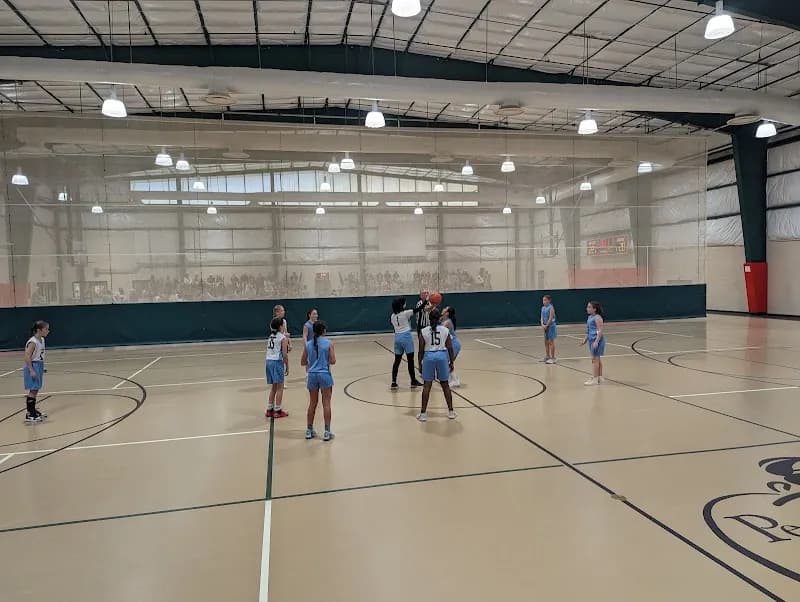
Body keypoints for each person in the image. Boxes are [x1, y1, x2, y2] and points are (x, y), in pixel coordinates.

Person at [417, 308, 456, 422]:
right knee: (445, 385)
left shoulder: (423, 331)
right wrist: (451, 362)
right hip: (442, 356)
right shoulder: (445, 330)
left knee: (427, 386)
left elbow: (420, 351)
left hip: (429, 357)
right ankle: (451, 412)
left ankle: (423, 414)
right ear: (439, 318)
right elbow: (450, 347)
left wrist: (419, 363)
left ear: (429, 319)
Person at [301, 321, 336, 441]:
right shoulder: (329, 343)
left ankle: (309, 430)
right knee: (326, 403)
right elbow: (333, 361)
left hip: (312, 375)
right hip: (324, 374)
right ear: (324, 331)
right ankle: (327, 431)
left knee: (312, 403)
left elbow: (302, 362)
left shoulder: (309, 344)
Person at [390, 297, 422, 390]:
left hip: (397, 338)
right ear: (401, 305)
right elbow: (418, 309)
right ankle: (413, 381)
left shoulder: (392, 316)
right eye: (404, 303)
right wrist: (426, 301)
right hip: (406, 337)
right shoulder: (405, 313)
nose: (405, 304)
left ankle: (393, 382)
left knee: (397, 360)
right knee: (410, 360)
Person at [23, 320, 49, 424]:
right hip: (32, 365)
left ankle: (33, 410)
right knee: (33, 390)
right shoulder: (33, 342)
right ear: (39, 330)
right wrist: (31, 370)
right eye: (46, 329)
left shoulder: (41, 339)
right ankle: (29, 414)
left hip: (38, 364)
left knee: (36, 389)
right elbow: (27, 356)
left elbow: (39, 355)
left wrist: (42, 367)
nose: (48, 331)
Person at [265, 317, 290, 418]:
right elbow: (284, 354)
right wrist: (287, 366)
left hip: (268, 361)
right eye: (283, 325)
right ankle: (278, 410)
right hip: (277, 362)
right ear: (280, 326)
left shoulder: (271, 336)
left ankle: (269, 409)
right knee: (280, 387)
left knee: (274, 387)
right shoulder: (282, 338)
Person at [581, 301, 606, 386]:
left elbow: (600, 331)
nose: (587, 308)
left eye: (589, 307)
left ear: (594, 309)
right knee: (597, 359)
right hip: (591, 340)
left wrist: (596, 341)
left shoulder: (597, 318)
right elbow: (588, 330)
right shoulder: (589, 318)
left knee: (595, 360)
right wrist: (585, 339)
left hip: (597, 340)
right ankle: (599, 377)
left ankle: (595, 379)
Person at [442, 306, 461, 388]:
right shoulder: (445, 320)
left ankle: (454, 380)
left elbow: (439, 329)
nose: (443, 309)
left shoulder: (447, 322)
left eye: (445, 309)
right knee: (448, 363)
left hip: (454, 344)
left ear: (447, 313)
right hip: (451, 344)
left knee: (447, 362)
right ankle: (454, 379)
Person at [541, 294, 557, 364]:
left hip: (551, 326)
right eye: (543, 300)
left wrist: (547, 325)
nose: (543, 301)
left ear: (549, 300)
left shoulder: (551, 308)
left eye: (545, 300)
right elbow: (541, 317)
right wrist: (542, 324)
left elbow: (551, 318)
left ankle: (553, 358)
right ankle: (547, 356)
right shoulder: (543, 308)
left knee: (551, 342)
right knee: (546, 342)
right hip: (545, 327)